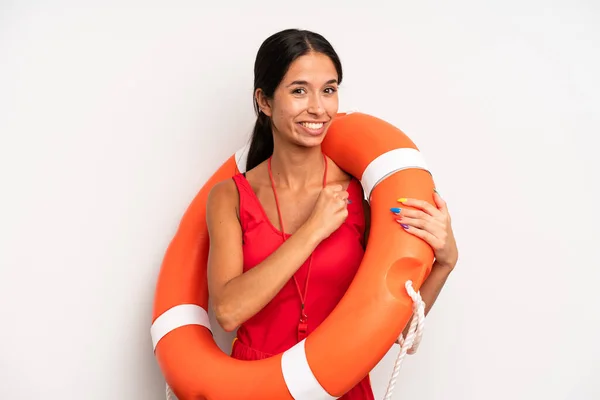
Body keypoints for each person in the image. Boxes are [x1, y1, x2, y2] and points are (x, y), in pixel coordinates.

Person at [206, 28, 459, 399]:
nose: (318, 108)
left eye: (329, 89)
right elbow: (228, 312)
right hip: (254, 385)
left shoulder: (362, 193)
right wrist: (313, 230)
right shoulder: (229, 196)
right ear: (264, 101)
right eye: (298, 90)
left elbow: (395, 333)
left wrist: (444, 264)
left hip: (339, 385)